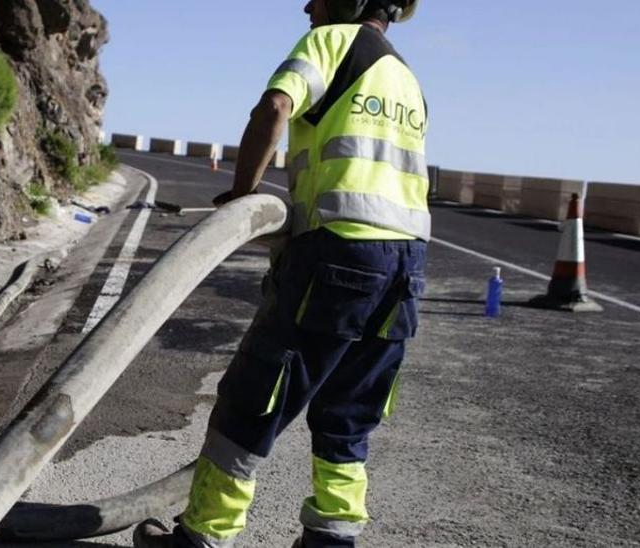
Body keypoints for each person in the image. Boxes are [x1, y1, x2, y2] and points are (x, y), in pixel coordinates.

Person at [134, 1, 429, 547]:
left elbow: (275, 107)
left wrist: (241, 199)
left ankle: (203, 536)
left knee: (256, 395)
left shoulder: (334, 42)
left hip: (339, 253)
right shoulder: (405, 76)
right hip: (406, 265)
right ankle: (332, 539)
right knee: (349, 410)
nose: (308, 5)